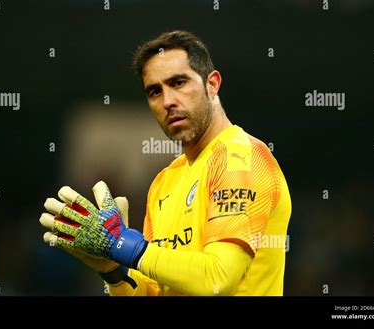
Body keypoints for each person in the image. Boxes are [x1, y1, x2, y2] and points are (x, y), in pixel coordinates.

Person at [39, 30, 291, 296]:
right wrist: (112, 270)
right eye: (154, 91)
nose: (168, 101)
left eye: (179, 82)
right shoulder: (164, 182)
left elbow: (218, 278)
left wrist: (128, 247)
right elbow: (150, 290)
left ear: (212, 84)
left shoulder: (241, 157)